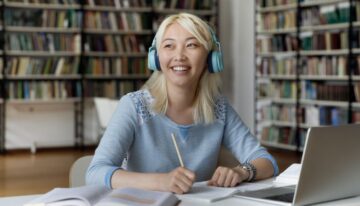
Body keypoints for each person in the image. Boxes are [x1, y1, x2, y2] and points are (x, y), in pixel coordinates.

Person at [86, 13, 278, 194]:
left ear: (210, 59)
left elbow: (267, 162)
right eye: (169, 46)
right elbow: (95, 173)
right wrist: (161, 182)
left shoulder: (219, 108)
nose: (179, 56)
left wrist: (242, 171)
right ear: (156, 58)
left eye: (192, 45)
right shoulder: (134, 106)